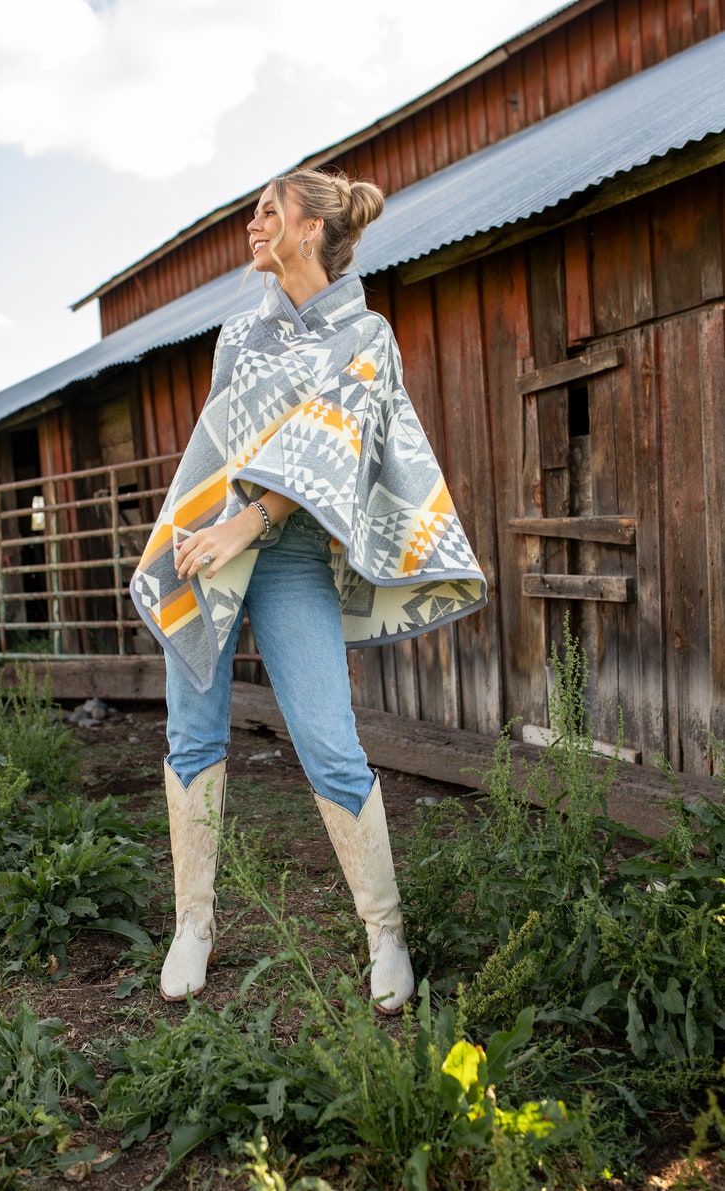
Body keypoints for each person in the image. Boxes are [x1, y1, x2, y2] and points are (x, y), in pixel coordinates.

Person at [131, 166, 486, 1015]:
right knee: (192, 733)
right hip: (208, 543)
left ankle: (385, 933)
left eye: (267, 213)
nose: (253, 226)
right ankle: (195, 923)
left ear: (309, 228)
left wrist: (245, 525)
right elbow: (214, 449)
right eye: (252, 212)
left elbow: (334, 447)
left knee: (330, 740)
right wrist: (198, 528)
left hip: (282, 554)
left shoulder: (365, 336)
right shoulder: (237, 336)